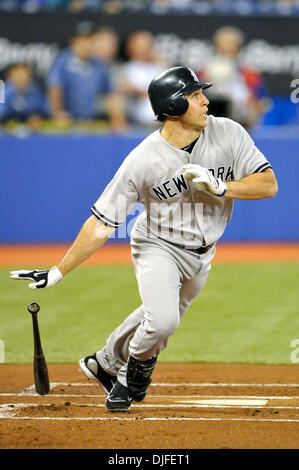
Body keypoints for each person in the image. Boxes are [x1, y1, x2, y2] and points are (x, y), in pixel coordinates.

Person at [10, 66, 278, 413]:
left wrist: (224, 186)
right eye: (195, 95)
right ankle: (129, 378)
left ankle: (103, 363)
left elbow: (268, 184)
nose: (205, 101)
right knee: (163, 321)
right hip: (158, 245)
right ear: (173, 106)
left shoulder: (229, 132)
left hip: (203, 254)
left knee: (156, 317)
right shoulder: (143, 159)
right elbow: (103, 223)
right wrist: (57, 271)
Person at [47, 21, 127, 130]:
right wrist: (57, 113)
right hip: (67, 121)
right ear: (73, 42)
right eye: (82, 40)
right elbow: (55, 87)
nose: (86, 44)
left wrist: (118, 121)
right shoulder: (63, 60)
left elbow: (111, 94)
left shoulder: (98, 64)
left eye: (90, 40)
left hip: (91, 121)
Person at [198, 26, 268, 128]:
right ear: (217, 45)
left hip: (241, 121)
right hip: (211, 119)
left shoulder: (250, 72)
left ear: (238, 46)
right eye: (224, 43)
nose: (228, 47)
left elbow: (260, 102)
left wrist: (253, 120)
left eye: (232, 43)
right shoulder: (205, 69)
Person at [120, 30, 169, 127]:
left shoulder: (159, 66)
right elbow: (128, 89)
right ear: (131, 47)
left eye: (147, 45)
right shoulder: (128, 68)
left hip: (163, 123)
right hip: (137, 123)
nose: (144, 49)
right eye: (140, 46)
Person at [0, 63, 47, 131]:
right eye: (18, 75)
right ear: (11, 76)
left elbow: (45, 112)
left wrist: (38, 118)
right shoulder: (5, 92)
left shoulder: (35, 91)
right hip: (8, 133)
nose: (22, 77)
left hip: (32, 132)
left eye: (26, 74)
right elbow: (2, 115)